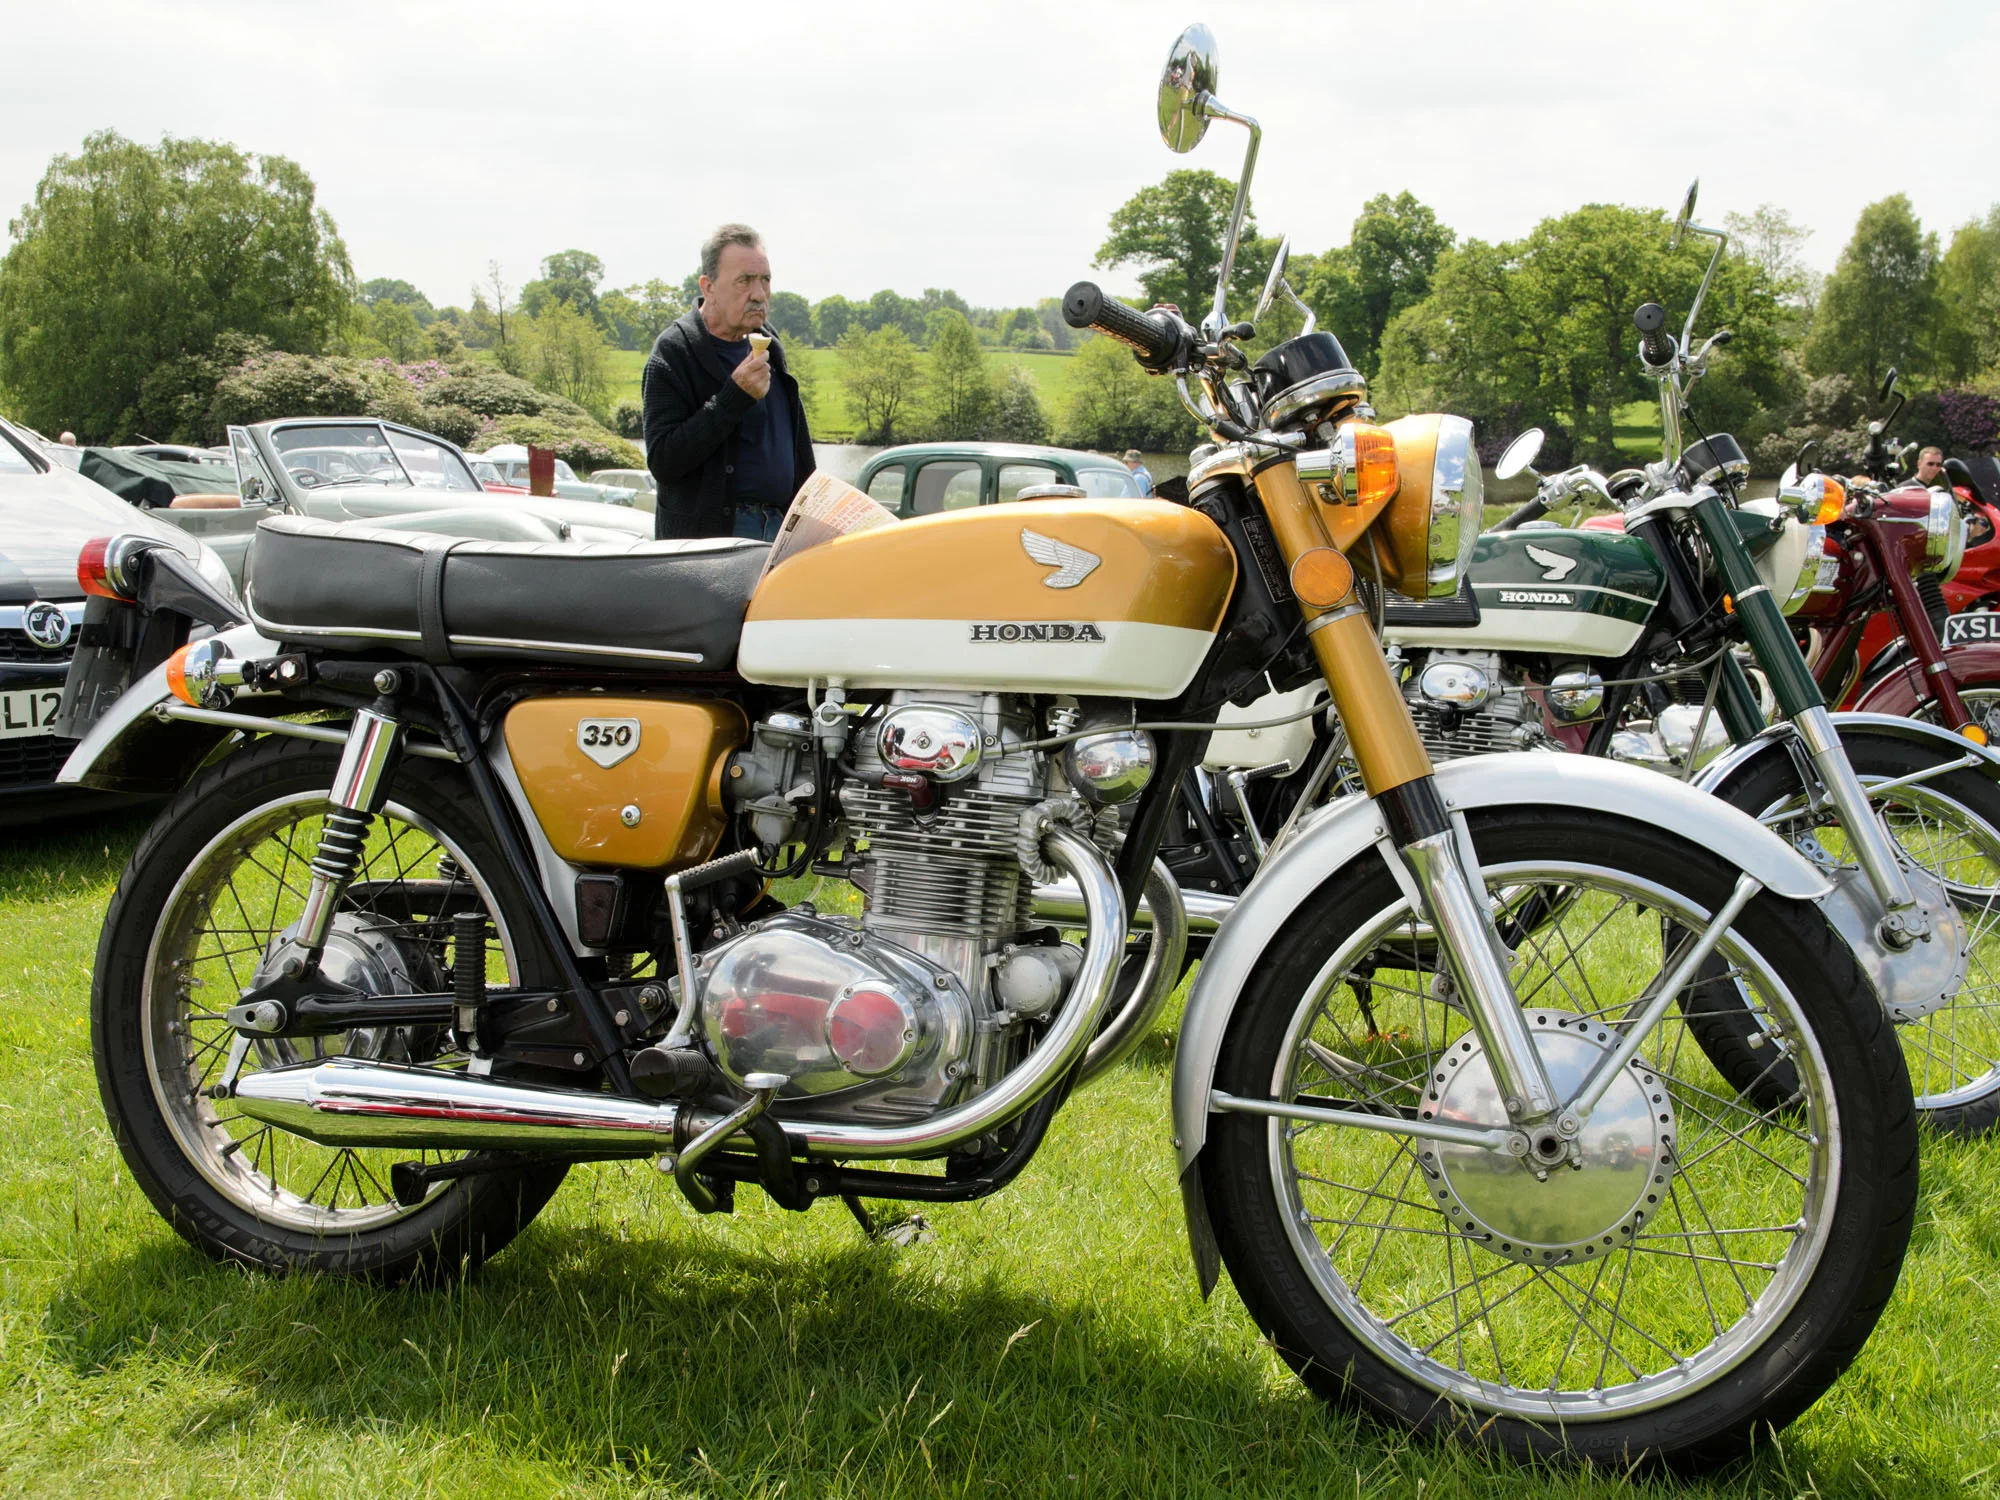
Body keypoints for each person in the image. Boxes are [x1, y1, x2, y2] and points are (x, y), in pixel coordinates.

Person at [641, 224, 814, 540]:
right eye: (744, 282)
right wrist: (733, 397)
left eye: (765, 280)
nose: (759, 294)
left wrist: (815, 510)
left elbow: (794, 445)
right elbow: (664, 462)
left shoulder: (769, 344)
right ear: (708, 287)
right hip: (712, 542)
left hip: (780, 530)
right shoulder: (675, 351)